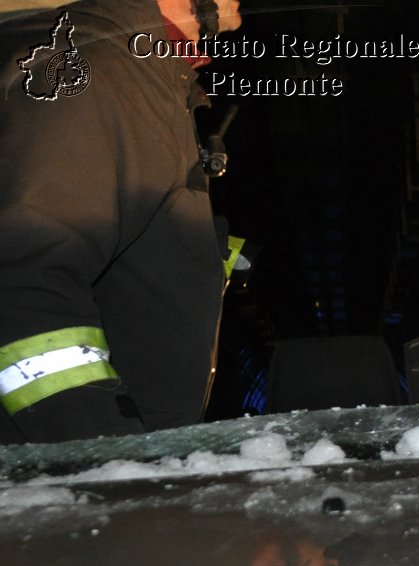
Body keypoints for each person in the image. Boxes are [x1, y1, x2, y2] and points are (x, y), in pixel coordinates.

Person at [0, 0, 243, 444]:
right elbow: (21, 282)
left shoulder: (133, 68)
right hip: (63, 485)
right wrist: (105, 455)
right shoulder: (99, 62)